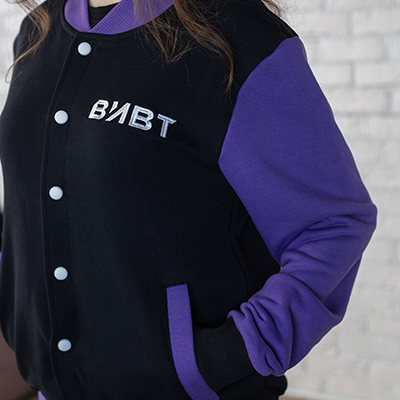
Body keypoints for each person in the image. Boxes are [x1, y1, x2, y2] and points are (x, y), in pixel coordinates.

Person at [0, 0, 377, 397]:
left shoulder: (238, 40)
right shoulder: (37, 30)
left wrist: (229, 353)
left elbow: (332, 225)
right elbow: (28, 198)